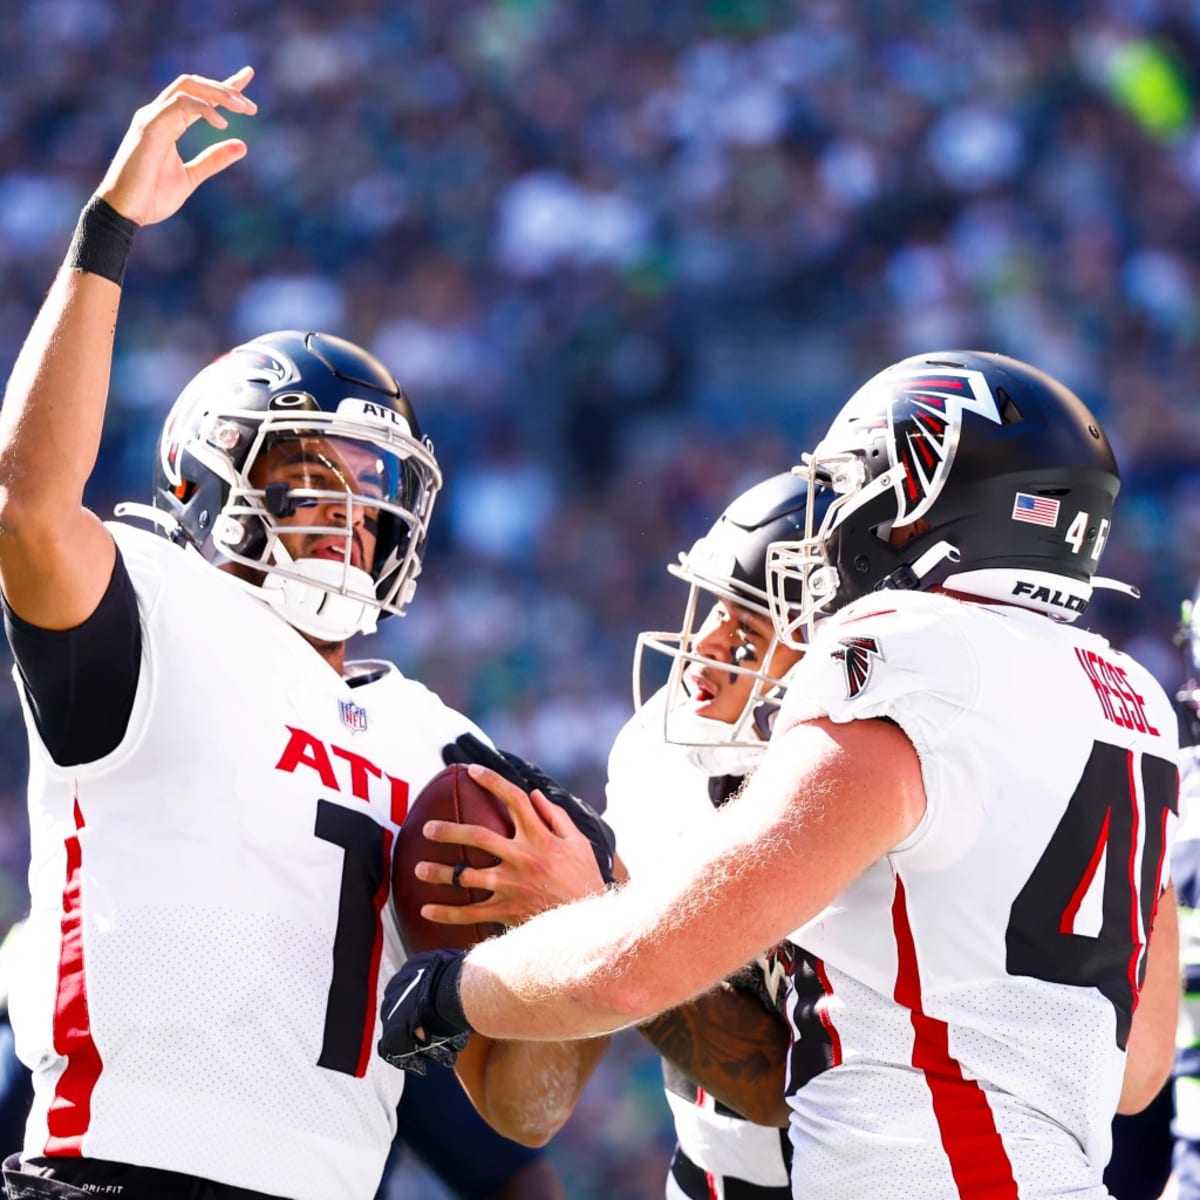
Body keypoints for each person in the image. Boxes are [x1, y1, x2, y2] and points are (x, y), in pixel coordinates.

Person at [0, 68, 608, 1200]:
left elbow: (520, 1110)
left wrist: (580, 941)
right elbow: (30, 501)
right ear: (211, 477)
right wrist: (109, 232)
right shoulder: (160, 607)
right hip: (121, 1172)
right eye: (306, 473)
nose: (347, 509)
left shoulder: (442, 742)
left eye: (372, 487)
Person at [381, 350, 1182, 1197]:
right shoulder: (1132, 698)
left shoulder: (914, 654)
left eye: (862, 485)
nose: (846, 520)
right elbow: (1135, 1071)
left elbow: (639, 970)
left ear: (930, 505)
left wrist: (459, 993)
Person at [605, 471, 816, 1200]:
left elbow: (780, 1091)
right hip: (706, 1175)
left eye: (751, 627)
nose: (708, 643)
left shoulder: (863, 794)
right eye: (715, 607)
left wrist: (598, 904)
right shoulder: (654, 751)